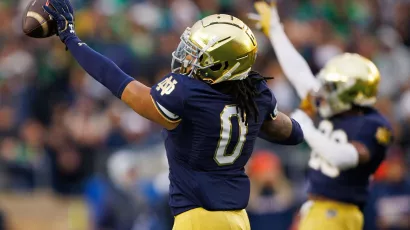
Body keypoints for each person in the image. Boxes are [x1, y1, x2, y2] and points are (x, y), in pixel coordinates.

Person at [41, 0, 304, 229]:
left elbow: (121, 84)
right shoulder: (255, 92)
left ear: (222, 65)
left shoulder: (189, 93)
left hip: (199, 219)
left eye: (198, 56)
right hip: (238, 219)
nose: (187, 59)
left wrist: (71, 39)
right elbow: (292, 133)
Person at [249, 1, 393, 230]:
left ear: (354, 94)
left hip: (337, 211)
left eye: (332, 87)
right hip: (318, 208)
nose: (323, 92)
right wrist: (276, 30)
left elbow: (343, 157)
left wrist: (307, 128)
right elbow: (299, 74)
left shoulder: (374, 125)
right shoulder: (336, 108)